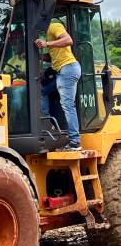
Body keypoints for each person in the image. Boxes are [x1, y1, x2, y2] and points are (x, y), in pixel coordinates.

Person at [35, 22, 82, 151]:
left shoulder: (54, 26)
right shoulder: (48, 34)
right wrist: (36, 55)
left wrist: (47, 44)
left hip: (68, 69)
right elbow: (53, 56)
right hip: (63, 71)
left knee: (67, 105)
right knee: (43, 91)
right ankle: (46, 123)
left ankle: (75, 141)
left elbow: (68, 40)